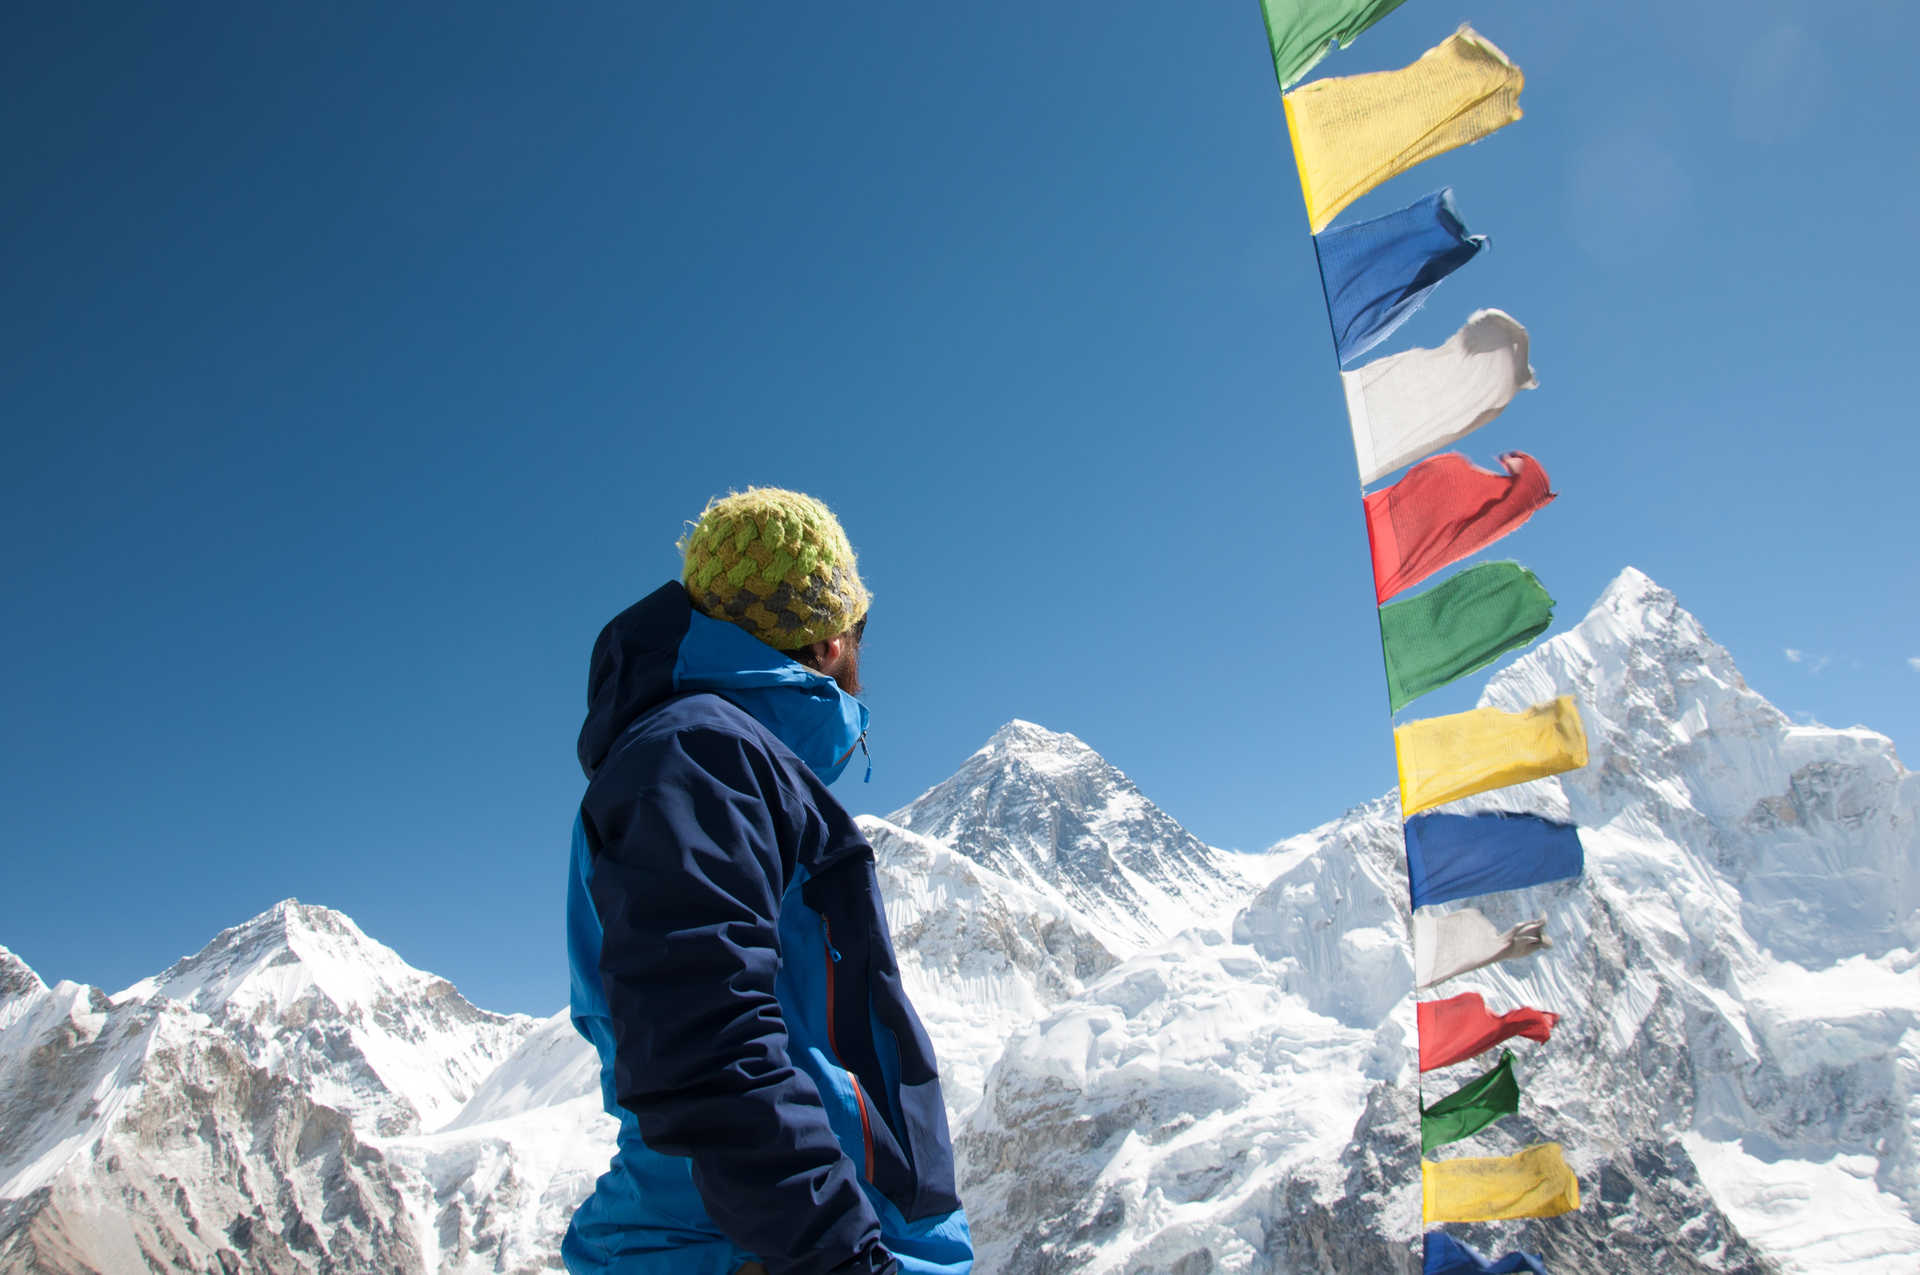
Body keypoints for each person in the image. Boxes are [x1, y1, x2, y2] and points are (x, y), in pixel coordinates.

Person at [562, 488, 973, 1275]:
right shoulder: (704, 757)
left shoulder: (706, 762)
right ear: (826, 642)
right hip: (758, 1250)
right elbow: (709, 1039)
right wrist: (840, 1258)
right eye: (858, 632)